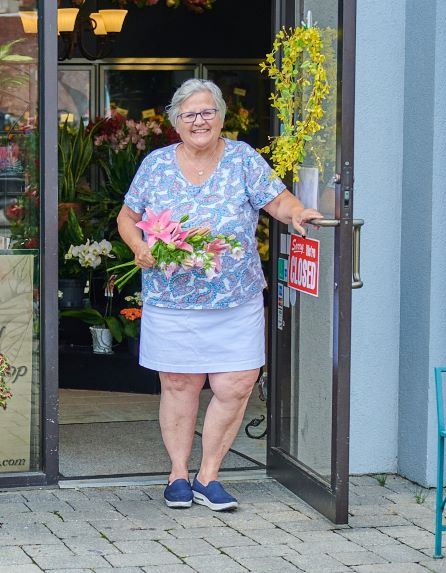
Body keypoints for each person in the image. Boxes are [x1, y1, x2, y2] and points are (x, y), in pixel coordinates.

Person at [116, 79, 322, 511]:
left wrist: (299, 211)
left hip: (236, 297)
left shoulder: (243, 159)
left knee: (235, 384)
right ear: (176, 121)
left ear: (221, 116)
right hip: (173, 300)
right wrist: (139, 247)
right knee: (179, 383)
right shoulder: (156, 165)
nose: (199, 121)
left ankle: (208, 476)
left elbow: (278, 201)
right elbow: (127, 217)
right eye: (190, 114)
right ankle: (177, 474)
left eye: (207, 112)